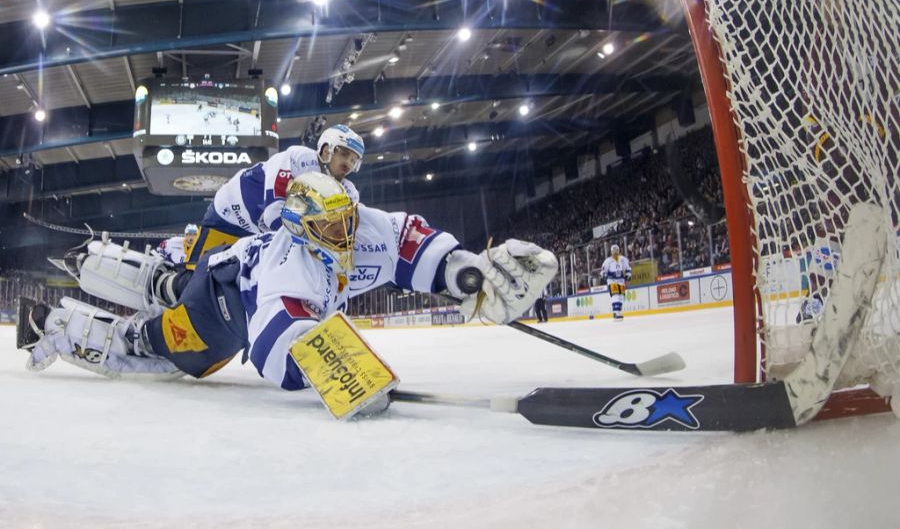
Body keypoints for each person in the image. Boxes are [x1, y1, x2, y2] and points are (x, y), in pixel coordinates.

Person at [18, 172, 558, 418]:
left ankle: (146, 276)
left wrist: (466, 273)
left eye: (346, 221)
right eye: (328, 229)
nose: (344, 238)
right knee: (159, 343)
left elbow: (407, 241)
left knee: (176, 284)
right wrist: (342, 374)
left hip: (223, 267)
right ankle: (60, 325)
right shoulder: (288, 267)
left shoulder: (355, 223)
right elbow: (281, 343)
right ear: (301, 229)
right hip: (226, 308)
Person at [182, 124, 365, 270]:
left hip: (257, 234)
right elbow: (273, 214)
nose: (348, 163)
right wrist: (309, 247)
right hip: (227, 217)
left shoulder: (348, 192)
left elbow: (351, 232)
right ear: (327, 150)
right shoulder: (297, 158)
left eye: (354, 159)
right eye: (344, 154)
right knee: (194, 274)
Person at [600, 244, 632, 321]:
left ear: (618, 250)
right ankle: (616, 313)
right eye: (613, 250)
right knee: (615, 295)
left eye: (616, 250)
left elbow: (627, 268)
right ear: (611, 251)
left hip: (621, 280)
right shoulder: (608, 261)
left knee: (621, 296)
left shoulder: (623, 259)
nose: (615, 252)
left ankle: (617, 312)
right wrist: (604, 275)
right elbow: (603, 271)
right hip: (612, 280)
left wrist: (628, 274)